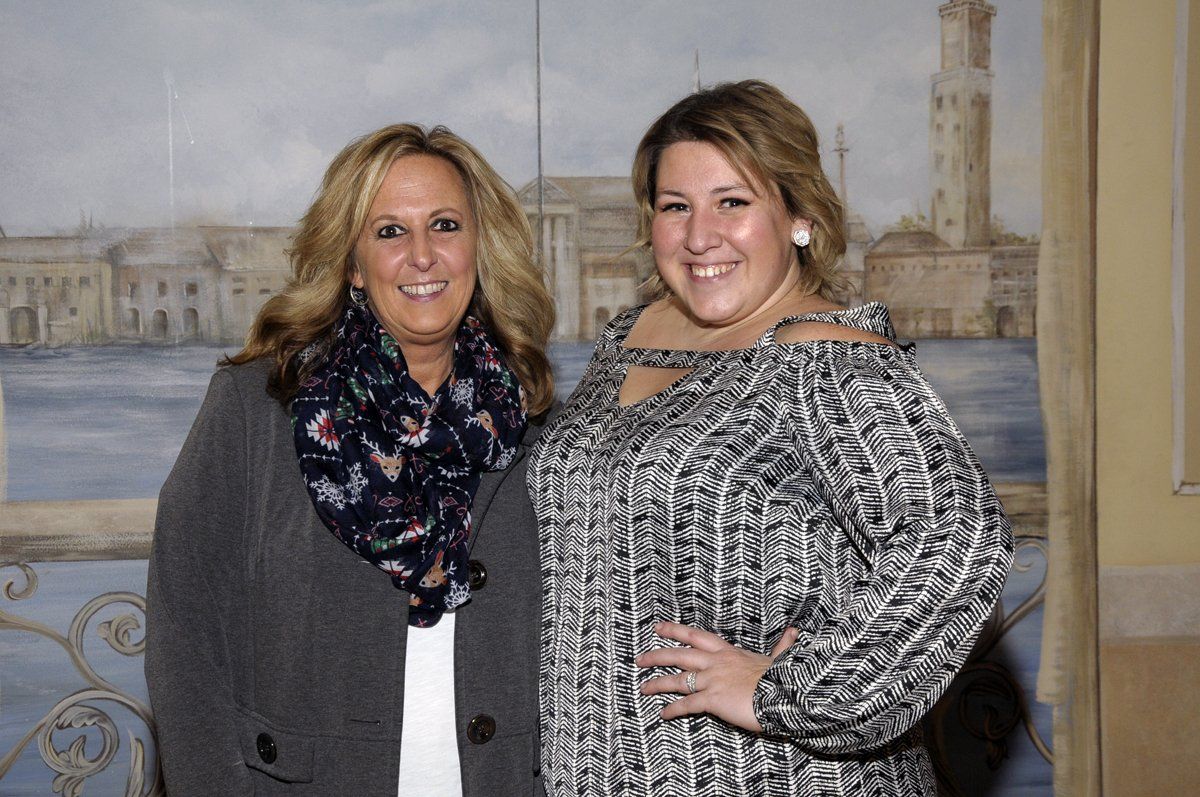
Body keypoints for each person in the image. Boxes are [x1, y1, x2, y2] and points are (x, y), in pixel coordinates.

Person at [528, 80, 1014, 795]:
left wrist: (791, 690)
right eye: (675, 207)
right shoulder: (626, 338)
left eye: (733, 202)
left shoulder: (823, 353)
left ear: (799, 216)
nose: (700, 236)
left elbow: (959, 537)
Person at [146, 123, 554, 796]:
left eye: (445, 225)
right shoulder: (255, 410)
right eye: (390, 232)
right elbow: (183, 633)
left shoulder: (535, 421)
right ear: (353, 264)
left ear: (479, 247)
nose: (422, 256)